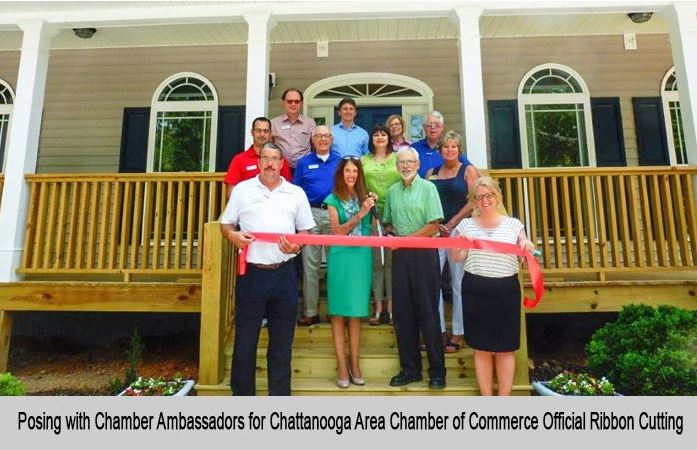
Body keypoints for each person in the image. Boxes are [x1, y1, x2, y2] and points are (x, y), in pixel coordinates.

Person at [220, 142, 315, 396]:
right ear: (259, 162)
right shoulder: (242, 190)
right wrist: (234, 238)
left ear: (282, 163)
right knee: (245, 342)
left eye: (275, 159)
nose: (271, 163)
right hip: (252, 275)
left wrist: (295, 248)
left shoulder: (295, 193)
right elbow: (226, 224)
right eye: (266, 158)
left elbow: (305, 232)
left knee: (282, 344)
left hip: (284, 275)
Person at [449, 176, 535, 396]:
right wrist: (463, 244)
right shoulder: (465, 225)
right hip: (475, 290)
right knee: (481, 348)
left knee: (506, 348)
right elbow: (457, 257)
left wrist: (526, 244)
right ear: (474, 202)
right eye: (479, 197)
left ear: (497, 197)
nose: (484, 200)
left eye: (489, 195)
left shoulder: (514, 225)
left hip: (506, 291)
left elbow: (525, 251)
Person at [383, 146, 446, 390]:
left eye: (410, 162)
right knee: (403, 314)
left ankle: (437, 371)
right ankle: (410, 369)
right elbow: (388, 223)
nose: (406, 166)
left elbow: (434, 226)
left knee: (428, 313)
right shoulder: (392, 192)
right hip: (400, 257)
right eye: (401, 163)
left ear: (418, 165)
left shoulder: (429, 188)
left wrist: (404, 240)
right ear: (397, 166)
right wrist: (390, 235)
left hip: (424, 256)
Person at [425, 130, 479, 353]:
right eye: (446, 147)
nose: (449, 150)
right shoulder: (431, 172)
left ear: (459, 150)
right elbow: (426, 199)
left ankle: (459, 332)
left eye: (453, 147)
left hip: (459, 230)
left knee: (458, 282)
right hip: (436, 232)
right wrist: (437, 224)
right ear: (440, 150)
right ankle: (438, 330)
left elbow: (473, 200)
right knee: (432, 282)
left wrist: (453, 223)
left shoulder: (468, 171)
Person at [324, 158, 375, 388]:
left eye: (355, 171)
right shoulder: (332, 199)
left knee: (356, 312)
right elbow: (337, 231)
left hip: (361, 257)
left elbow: (373, 229)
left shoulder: (366, 198)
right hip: (340, 255)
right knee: (338, 312)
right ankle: (341, 364)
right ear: (341, 174)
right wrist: (359, 215)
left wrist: (371, 209)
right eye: (347, 171)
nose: (351, 174)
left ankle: (355, 363)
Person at [292, 126, 341, 326]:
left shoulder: (339, 161)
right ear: (312, 139)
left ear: (331, 138)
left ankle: (336, 310)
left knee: (336, 265)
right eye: (318, 136)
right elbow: (295, 193)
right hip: (309, 214)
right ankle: (310, 311)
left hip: (333, 213)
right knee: (310, 266)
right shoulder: (304, 163)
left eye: (326, 135)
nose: (322, 139)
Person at [361, 124, 401, 326]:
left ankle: (392, 309)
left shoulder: (398, 158)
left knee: (392, 264)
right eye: (375, 134)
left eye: (383, 134)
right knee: (378, 263)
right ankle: (378, 308)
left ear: (389, 138)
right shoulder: (364, 160)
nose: (379, 137)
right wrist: (368, 202)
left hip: (396, 214)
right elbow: (359, 185)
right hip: (373, 215)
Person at [223, 117, 292, 198]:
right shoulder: (239, 160)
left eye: (266, 131)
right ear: (252, 132)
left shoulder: (279, 160)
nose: (262, 134)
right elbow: (231, 192)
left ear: (270, 133)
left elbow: (288, 189)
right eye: (258, 130)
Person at [411, 110, 467, 177]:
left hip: (444, 186)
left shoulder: (449, 148)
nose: (433, 128)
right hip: (419, 187)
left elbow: (470, 169)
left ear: (442, 127)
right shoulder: (413, 148)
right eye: (429, 125)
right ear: (424, 127)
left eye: (437, 125)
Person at [271, 88, 316, 170]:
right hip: (281, 169)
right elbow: (270, 146)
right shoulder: (273, 123)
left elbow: (315, 146)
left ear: (301, 103)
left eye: (297, 101)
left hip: (304, 168)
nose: (293, 104)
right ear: (283, 103)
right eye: (289, 101)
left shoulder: (310, 123)